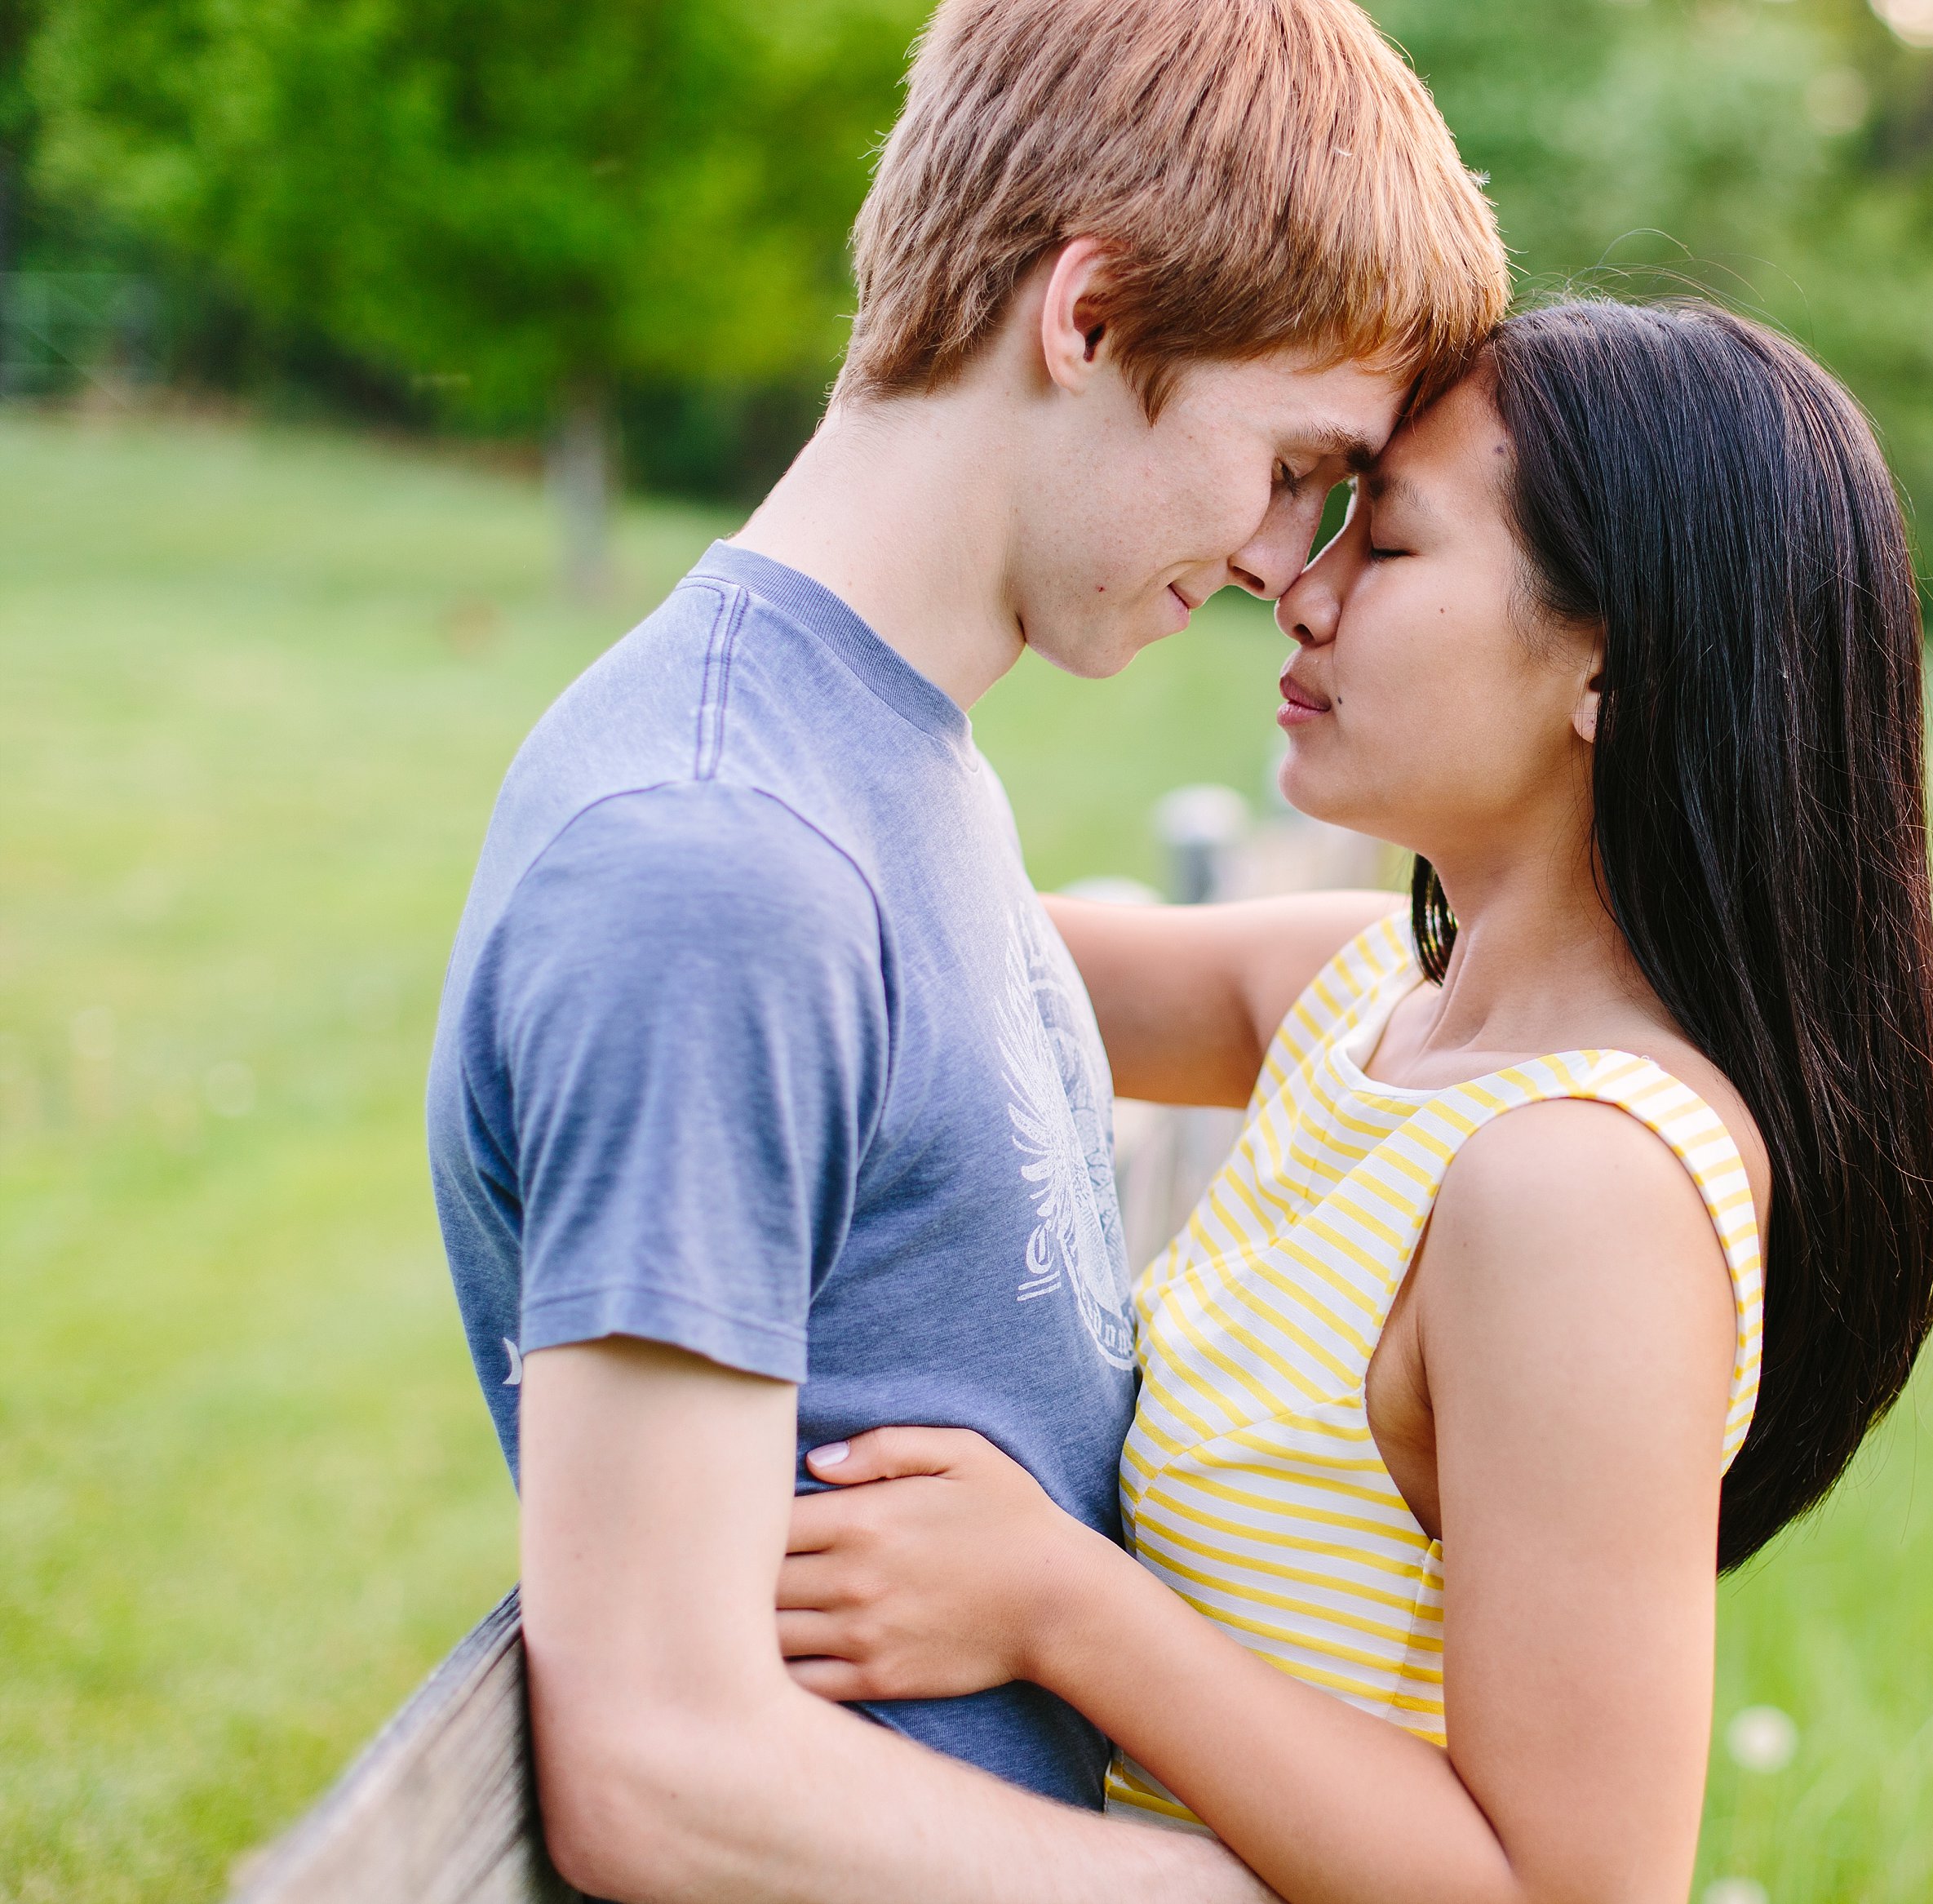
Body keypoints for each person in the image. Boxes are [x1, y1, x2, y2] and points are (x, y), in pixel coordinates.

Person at [422, 1, 1505, 1897]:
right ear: (1086, 315)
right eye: (1287, 461)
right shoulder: (718, 858)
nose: (1280, 560)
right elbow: (664, 1768)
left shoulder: (895, 765)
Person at [765, 300, 1933, 1904]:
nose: (1297, 591)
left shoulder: (1581, 1188)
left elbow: (1568, 1888)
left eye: (1383, 550)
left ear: (1611, 657)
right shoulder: (1353, 1001)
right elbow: (891, 936)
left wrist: (1059, 1605)